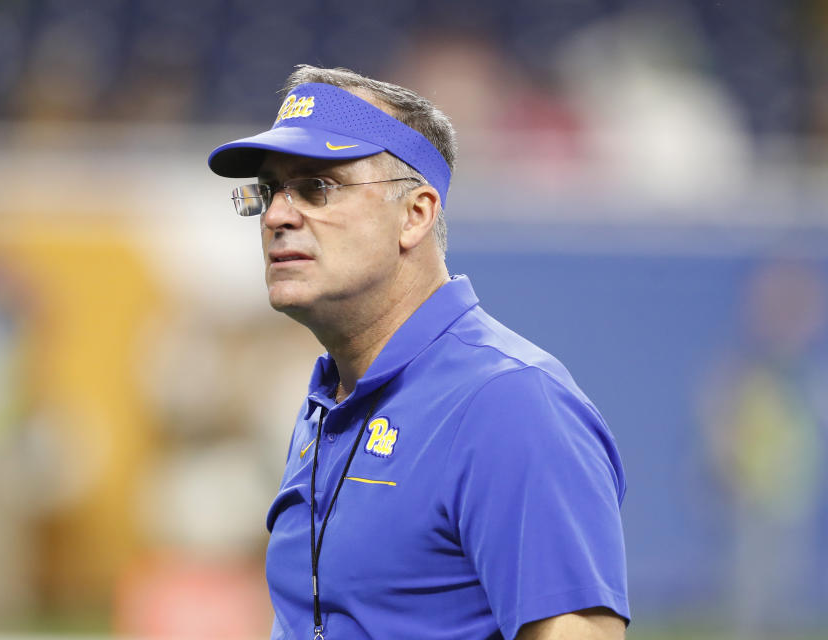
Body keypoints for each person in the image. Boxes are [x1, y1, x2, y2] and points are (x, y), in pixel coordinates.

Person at [207, 65, 629, 640]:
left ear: (415, 215)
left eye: (316, 188)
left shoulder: (508, 401)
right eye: (270, 190)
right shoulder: (331, 402)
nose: (278, 214)